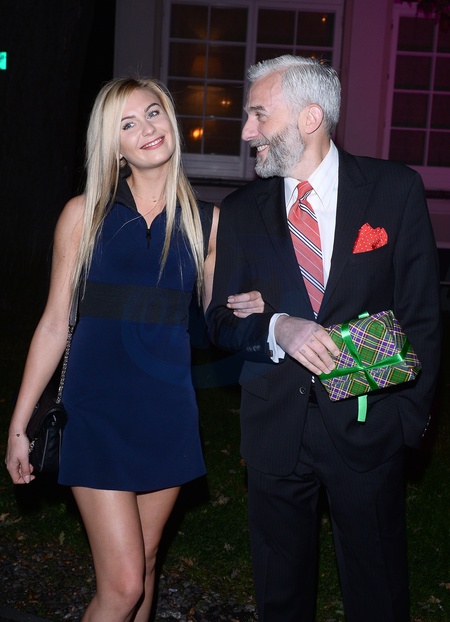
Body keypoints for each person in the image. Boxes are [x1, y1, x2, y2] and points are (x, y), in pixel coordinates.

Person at [5, 77, 263, 622]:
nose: (146, 129)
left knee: (144, 567)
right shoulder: (84, 214)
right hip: (95, 411)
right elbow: (54, 324)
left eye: (152, 113)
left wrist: (249, 306)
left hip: (167, 412)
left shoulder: (208, 222)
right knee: (122, 587)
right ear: (114, 144)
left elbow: (216, 322)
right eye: (128, 124)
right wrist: (19, 424)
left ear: (171, 120)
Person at [206, 56, 442, 622]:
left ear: (310, 118)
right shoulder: (239, 211)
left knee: (377, 594)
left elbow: (423, 317)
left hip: (370, 428)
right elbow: (218, 322)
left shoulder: (393, 190)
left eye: (260, 115)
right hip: (275, 433)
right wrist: (275, 327)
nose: (247, 130)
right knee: (280, 598)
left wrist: (406, 424)